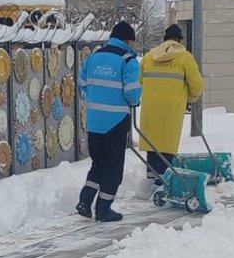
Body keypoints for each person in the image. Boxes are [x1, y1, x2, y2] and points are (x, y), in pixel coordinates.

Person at [76, 21, 142, 222]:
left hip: (94, 121)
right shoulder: (128, 60)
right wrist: (135, 100)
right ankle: (103, 209)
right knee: (113, 169)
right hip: (116, 121)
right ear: (127, 39)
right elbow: (132, 93)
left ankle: (85, 202)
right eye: (132, 40)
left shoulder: (94, 57)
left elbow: (82, 85)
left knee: (98, 164)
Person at [139, 24, 205, 183]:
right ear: (180, 40)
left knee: (152, 144)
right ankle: (163, 184)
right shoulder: (185, 58)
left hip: (150, 109)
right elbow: (197, 84)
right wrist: (192, 97)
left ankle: (151, 180)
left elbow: (139, 81)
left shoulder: (149, 57)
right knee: (167, 145)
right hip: (171, 110)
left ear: (165, 40)